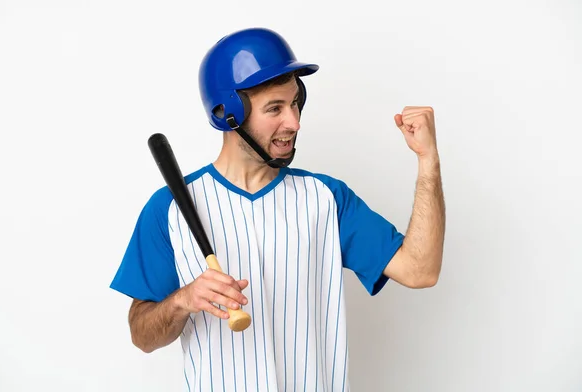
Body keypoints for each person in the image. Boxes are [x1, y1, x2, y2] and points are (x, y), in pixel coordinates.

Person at [110, 27, 445, 391]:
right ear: (227, 114)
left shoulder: (325, 198)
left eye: (295, 103)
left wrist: (428, 160)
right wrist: (183, 299)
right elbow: (142, 336)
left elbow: (420, 270)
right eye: (275, 108)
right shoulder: (170, 208)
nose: (294, 122)